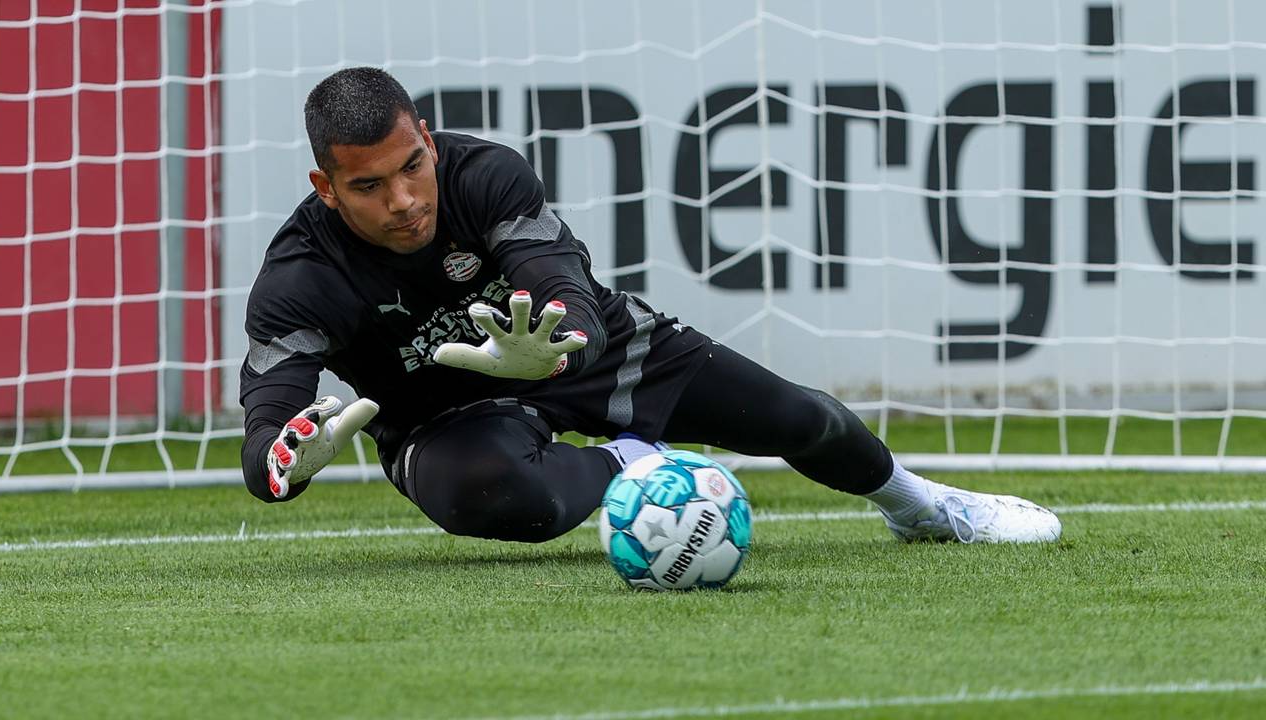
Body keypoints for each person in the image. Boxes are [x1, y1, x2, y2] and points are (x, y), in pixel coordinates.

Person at [239, 67, 1061, 546]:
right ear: (325, 186)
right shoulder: (299, 278)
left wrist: (554, 348)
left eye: (413, 165)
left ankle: (921, 507)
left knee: (798, 419)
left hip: (581, 355)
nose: (406, 200)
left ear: (426, 134)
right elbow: (265, 437)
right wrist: (285, 466)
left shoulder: (484, 175)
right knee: (491, 501)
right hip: (444, 422)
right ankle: (643, 466)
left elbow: (565, 284)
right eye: (369, 186)